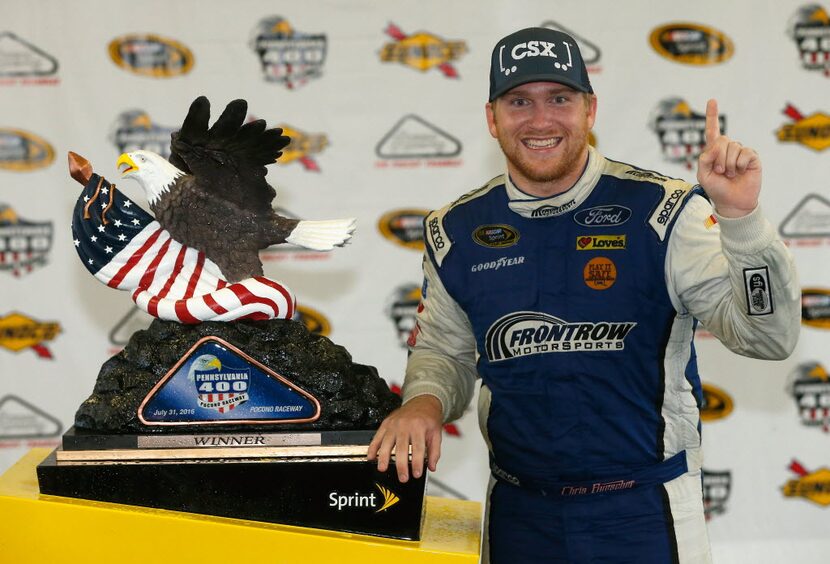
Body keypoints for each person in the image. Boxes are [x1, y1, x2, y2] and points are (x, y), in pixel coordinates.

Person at [368, 27, 800, 563]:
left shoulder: (664, 212)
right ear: (491, 119)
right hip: (519, 515)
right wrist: (423, 403)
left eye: (560, 99)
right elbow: (443, 353)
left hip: (648, 510)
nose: (541, 120)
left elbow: (768, 337)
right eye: (519, 101)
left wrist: (742, 221)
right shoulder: (455, 230)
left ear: (590, 110)